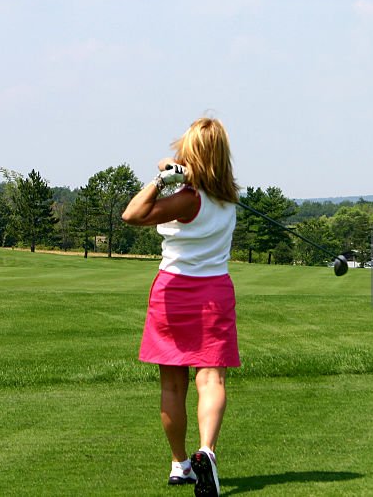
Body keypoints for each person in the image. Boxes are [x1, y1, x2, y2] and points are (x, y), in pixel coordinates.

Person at [122, 117, 240, 497]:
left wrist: (159, 181)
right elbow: (169, 164)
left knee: (174, 383)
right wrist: (173, 170)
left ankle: (180, 464)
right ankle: (207, 451)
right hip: (215, 292)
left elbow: (133, 214)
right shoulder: (226, 197)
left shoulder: (187, 200)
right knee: (211, 379)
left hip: (173, 292)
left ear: (193, 155)